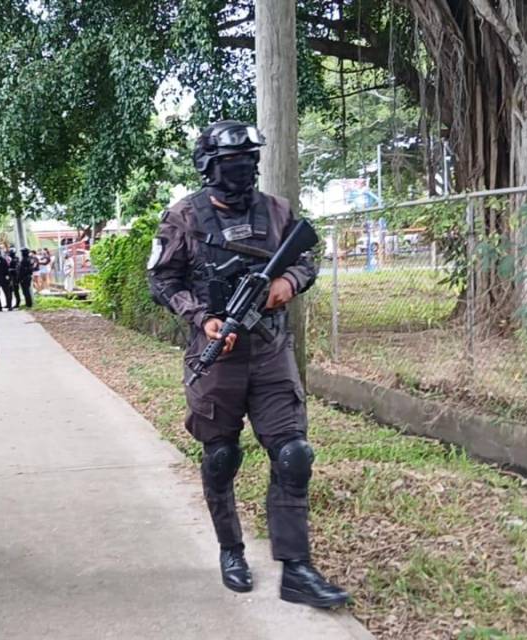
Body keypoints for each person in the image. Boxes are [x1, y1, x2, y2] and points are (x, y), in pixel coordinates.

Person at [146, 121, 349, 609]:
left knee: (294, 454)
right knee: (221, 457)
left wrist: (290, 284)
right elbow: (161, 280)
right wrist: (202, 318)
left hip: (271, 353)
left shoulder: (276, 210)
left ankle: (296, 569)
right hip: (216, 357)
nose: (242, 170)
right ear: (209, 167)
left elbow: (308, 258)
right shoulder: (183, 217)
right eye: (231, 163)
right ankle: (231, 549)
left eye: (249, 160)